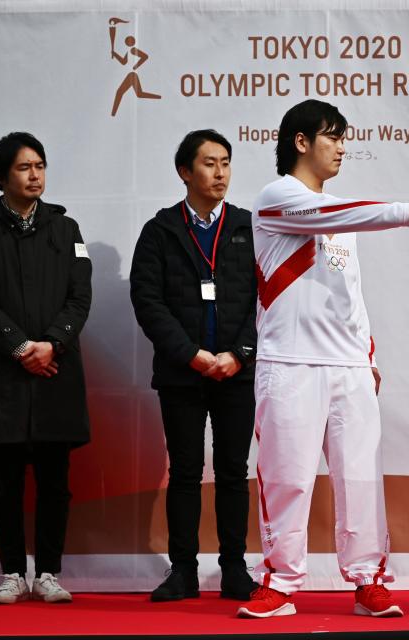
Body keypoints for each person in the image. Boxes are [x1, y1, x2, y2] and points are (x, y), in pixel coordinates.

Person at [237, 100, 409, 619]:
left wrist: (366, 355)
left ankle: (367, 579)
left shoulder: (340, 219)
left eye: (344, 137)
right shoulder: (278, 199)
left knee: (359, 480)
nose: (342, 147)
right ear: (301, 142)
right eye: (332, 137)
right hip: (290, 365)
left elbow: (350, 294)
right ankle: (281, 582)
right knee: (286, 477)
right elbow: (334, 212)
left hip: (348, 369)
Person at [0, 132, 92, 604]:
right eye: (23, 167)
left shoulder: (65, 228)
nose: (35, 175)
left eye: (40, 166)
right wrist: (20, 348)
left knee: (56, 483)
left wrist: (51, 344)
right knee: (6, 484)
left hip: (56, 372)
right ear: (1, 177)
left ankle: (49, 573)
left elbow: (80, 296)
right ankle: (12, 572)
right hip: (4, 379)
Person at [130, 130, 258, 602]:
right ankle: (182, 570)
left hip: (235, 373)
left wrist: (238, 354)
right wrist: (191, 354)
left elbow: (266, 301)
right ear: (185, 171)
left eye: (226, 162)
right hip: (183, 373)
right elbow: (147, 300)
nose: (220, 172)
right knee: (184, 471)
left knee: (232, 471)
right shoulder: (160, 230)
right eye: (209, 163)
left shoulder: (248, 227)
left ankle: (234, 570)